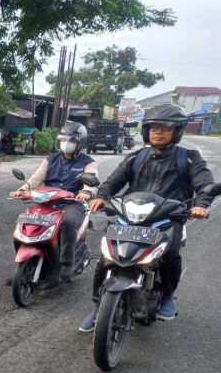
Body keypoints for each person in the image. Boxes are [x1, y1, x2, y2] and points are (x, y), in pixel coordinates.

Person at [78, 104, 214, 332]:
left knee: (170, 254)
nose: (158, 132)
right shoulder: (136, 157)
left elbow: (205, 183)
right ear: (146, 131)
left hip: (167, 217)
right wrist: (101, 196)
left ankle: (168, 296)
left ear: (177, 131)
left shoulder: (189, 158)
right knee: (107, 257)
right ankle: (98, 307)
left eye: (165, 127)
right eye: (153, 127)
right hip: (131, 215)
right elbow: (115, 180)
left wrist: (200, 204)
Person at [10, 121, 98, 283]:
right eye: (64, 140)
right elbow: (35, 179)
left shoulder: (88, 162)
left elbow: (91, 181)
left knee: (68, 222)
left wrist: (86, 192)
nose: (67, 143)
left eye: (71, 140)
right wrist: (22, 190)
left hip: (72, 204)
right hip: (48, 203)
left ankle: (66, 265)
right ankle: (25, 264)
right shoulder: (50, 159)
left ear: (80, 142)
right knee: (26, 220)